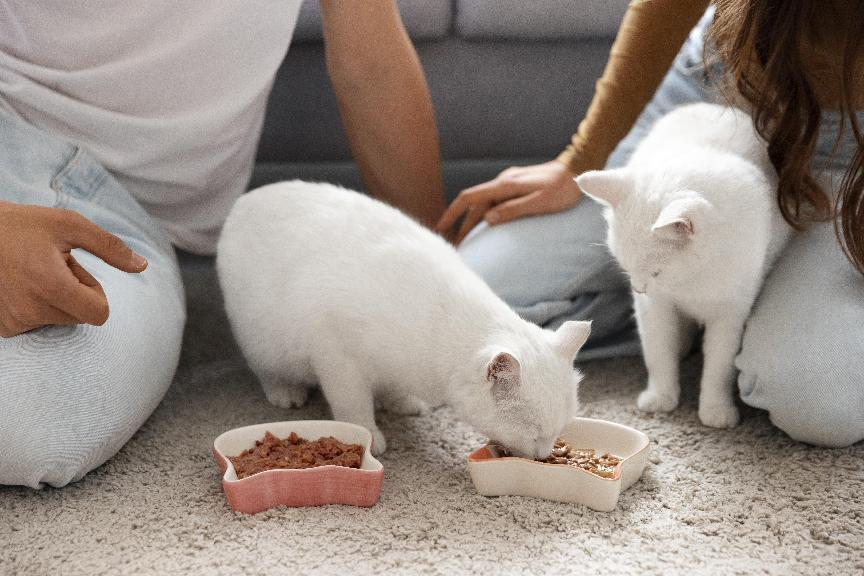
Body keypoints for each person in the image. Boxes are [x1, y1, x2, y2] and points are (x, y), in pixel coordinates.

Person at [0, 1, 445, 488]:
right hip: (13, 140)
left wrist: (441, 281)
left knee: (34, 418)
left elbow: (372, 68)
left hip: (121, 224)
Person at [437, 0, 864, 447]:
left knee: (819, 402)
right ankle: (690, 308)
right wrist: (579, 160)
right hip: (717, 89)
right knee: (472, 294)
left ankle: (733, 307)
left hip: (846, 151)